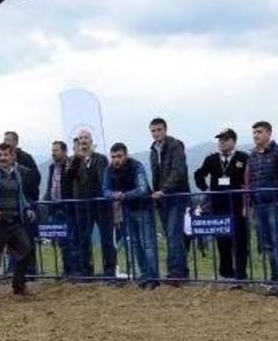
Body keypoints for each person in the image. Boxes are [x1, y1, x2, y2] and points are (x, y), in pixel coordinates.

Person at [0, 143, 36, 301]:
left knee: (26, 250)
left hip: (14, 221)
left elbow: (20, 195)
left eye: (5, 155)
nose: (2, 158)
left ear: (12, 156)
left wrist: (27, 208)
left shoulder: (16, 174)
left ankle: (18, 285)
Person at [194, 128, 249, 280]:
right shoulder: (211, 159)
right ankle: (225, 272)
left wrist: (247, 201)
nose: (222, 142)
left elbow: (248, 179)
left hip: (237, 204)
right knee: (222, 239)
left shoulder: (243, 158)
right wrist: (206, 190)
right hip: (218, 205)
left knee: (240, 239)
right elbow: (199, 175)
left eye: (226, 139)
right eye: (220, 140)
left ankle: (240, 273)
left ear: (234, 141)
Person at [244, 121, 278, 288]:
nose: (255, 135)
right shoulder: (252, 156)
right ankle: (275, 277)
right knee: (266, 243)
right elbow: (248, 181)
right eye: (254, 132)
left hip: (275, 202)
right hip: (259, 204)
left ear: (268, 133)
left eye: (259, 132)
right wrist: (247, 203)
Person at [104, 143, 158, 288]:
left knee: (147, 244)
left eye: (119, 156)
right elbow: (105, 190)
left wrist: (123, 196)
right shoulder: (109, 169)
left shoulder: (136, 166)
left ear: (126, 155)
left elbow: (143, 188)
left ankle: (153, 278)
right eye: (113, 157)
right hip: (127, 210)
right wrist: (114, 195)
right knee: (135, 244)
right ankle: (144, 275)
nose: (116, 160)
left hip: (143, 208)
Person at [64, 130, 116, 280]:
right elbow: (67, 179)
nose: (83, 140)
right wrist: (75, 161)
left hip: (102, 205)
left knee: (106, 240)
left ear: (91, 140)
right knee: (83, 240)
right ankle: (86, 272)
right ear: (77, 142)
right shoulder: (73, 160)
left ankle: (110, 272)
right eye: (80, 138)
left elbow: (108, 178)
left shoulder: (101, 159)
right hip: (83, 206)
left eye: (86, 138)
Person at [148, 118, 189, 281]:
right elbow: (155, 176)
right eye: (153, 130)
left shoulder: (176, 145)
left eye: (159, 129)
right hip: (161, 199)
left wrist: (164, 190)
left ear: (165, 129)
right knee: (170, 234)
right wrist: (155, 193)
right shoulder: (153, 150)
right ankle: (180, 270)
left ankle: (176, 272)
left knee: (173, 234)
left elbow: (178, 171)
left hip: (176, 195)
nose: (156, 133)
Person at [3, 132, 40, 276]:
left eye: (8, 140)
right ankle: (13, 269)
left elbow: (35, 178)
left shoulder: (26, 158)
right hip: (10, 206)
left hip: (26, 203)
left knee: (27, 238)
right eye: (4, 139)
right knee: (12, 238)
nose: (6, 142)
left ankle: (30, 270)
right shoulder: (3, 161)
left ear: (16, 142)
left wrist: (28, 199)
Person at [42, 140, 74, 275]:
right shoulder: (51, 167)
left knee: (72, 239)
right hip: (55, 208)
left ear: (64, 151)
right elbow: (50, 187)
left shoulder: (71, 165)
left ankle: (75, 270)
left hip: (69, 207)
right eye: (52, 150)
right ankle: (66, 269)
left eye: (56, 150)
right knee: (61, 240)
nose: (53, 153)